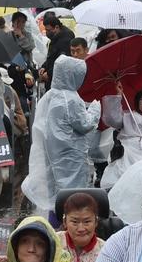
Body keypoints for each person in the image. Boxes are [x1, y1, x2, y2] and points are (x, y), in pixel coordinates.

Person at [24, 55, 100, 209]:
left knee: (56, 190)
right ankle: (70, 219)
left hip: (53, 152)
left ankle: (56, 218)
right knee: (74, 193)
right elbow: (84, 124)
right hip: (71, 154)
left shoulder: (51, 95)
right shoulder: (71, 98)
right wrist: (95, 110)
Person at [58, 190, 104, 262]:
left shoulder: (106, 250)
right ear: (65, 222)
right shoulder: (54, 242)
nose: (81, 228)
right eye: (74, 222)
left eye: (87, 222)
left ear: (96, 222)